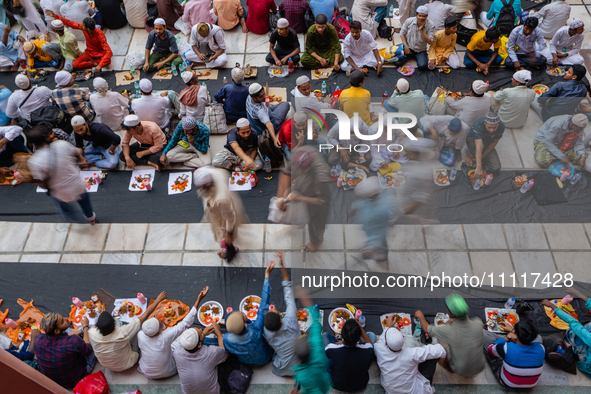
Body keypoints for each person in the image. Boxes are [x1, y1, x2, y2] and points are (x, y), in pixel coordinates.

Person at [26, 126, 96, 224]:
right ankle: (91, 219)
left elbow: (42, 182)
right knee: (85, 202)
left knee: (64, 207)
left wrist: (30, 180)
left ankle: (74, 220)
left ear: (33, 144)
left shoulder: (34, 161)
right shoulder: (61, 144)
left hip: (60, 192)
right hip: (77, 184)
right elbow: (77, 154)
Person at [138, 287, 209, 379]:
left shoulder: (140, 334)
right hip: (168, 371)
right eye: (159, 322)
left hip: (146, 372)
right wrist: (199, 299)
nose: (160, 319)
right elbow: (185, 323)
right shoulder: (165, 337)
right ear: (158, 333)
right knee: (183, 338)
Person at [89, 291, 167, 372]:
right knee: (139, 329)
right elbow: (144, 315)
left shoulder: (91, 332)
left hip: (107, 365)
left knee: (118, 320)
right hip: (127, 363)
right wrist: (158, 300)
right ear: (113, 326)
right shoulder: (122, 333)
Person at [415, 294, 485, 378]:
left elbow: (426, 329)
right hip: (479, 367)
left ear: (450, 312)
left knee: (439, 339)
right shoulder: (478, 323)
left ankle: (448, 365)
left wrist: (421, 316)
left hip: (460, 370)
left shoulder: (447, 330)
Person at [375, 315, 446, 394]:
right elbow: (439, 350)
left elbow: (381, 340)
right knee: (433, 356)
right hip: (414, 391)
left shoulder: (378, 349)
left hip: (391, 390)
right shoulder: (410, 354)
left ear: (385, 342)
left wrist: (387, 327)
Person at [224, 261, 275, 365]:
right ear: (245, 322)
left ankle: (228, 316)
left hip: (246, 361)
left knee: (227, 317)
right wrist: (267, 275)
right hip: (265, 357)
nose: (240, 312)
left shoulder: (227, 339)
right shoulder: (255, 329)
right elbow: (264, 303)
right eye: (240, 313)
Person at [194, 166, 248, 260]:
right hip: (217, 209)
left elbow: (230, 218)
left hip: (223, 213)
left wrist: (229, 233)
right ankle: (226, 246)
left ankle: (229, 248)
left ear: (205, 186)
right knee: (220, 231)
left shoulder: (221, 199)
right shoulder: (212, 173)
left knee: (223, 232)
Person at [34, 313, 95, 389]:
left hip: (56, 382)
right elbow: (88, 349)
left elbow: (58, 341)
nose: (66, 318)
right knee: (93, 340)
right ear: (56, 331)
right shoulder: (73, 341)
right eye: (62, 321)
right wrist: (86, 326)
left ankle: (80, 331)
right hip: (76, 379)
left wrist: (75, 333)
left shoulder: (38, 339)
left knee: (70, 331)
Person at [263, 252, 300, 376]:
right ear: (281, 319)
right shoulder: (291, 320)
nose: (273, 308)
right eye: (275, 311)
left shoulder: (266, 332)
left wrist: (267, 275)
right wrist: (282, 264)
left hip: (282, 369)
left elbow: (263, 304)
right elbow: (288, 292)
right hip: (300, 367)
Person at [541, 289, 591, 377]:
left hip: (587, 365)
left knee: (574, 334)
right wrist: (576, 292)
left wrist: (552, 306)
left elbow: (573, 323)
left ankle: (566, 349)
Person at [290, 146, 332, 252]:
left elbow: (324, 200)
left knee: (316, 224)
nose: (298, 170)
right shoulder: (300, 156)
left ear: (312, 165)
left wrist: (301, 198)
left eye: (302, 169)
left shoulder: (321, 178)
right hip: (303, 193)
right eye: (297, 167)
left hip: (317, 205)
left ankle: (316, 241)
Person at [291, 288, 332, 394]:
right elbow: (316, 322)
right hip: (324, 382)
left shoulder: (300, 375)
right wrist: (306, 300)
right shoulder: (317, 347)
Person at [483, 319, 545, 388]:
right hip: (531, 384)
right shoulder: (541, 347)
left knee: (485, 335)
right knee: (539, 338)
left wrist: (508, 337)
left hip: (508, 382)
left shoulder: (506, 347)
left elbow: (490, 350)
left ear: (515, 333)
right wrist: (513, 331)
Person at [172, 320, 228, 394]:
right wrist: (218, 332)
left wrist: (202, 334)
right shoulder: (210, 353)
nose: (201, 330)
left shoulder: (177, 353)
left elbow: (192, 344)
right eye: (201, 332)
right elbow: (225, 351)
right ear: (199, 345)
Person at [45, 11, 112, 72]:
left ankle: (97, 63)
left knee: (107, 61)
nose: (81, 25)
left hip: (99, 53)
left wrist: (100, 66)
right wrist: (56, 16)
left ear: (88, 29)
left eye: (83, 25)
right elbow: (70, 23)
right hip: (89, 52)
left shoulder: (99, 34)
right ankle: (93, 64)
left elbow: (109, 52)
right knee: (75, 64)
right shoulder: (84, 28)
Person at [351, 177, 397, 263]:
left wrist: (371, 246)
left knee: (381, 244)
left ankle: (381, 257)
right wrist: (355, 208)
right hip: (370, 227)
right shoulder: (373, 197)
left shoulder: (381, 210)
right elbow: (361, 201)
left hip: (377, 233)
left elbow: (378, 231)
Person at [325, 319, 375, 392]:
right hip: (360, 385)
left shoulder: (331, 348)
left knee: (325, 336)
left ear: (342, 334)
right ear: (359, 337)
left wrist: (342, 342)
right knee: (372, 335)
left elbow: (329, 349)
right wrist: (359, 327)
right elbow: (369, 344)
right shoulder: (368, 349)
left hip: (337, 384)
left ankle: (329, 370)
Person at [246, 83, 289, 147]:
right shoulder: (260, 111)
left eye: (264, 94)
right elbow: (268, 124)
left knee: (273, 106)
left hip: (261, 117)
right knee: (286, 104)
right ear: (254, 98)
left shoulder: (249, 97)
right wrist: (274, 139)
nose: (264, 97)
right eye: (261, 96)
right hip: (267, 125)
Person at [464, 113, 505, 178]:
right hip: (474, 140)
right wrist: (479, 167)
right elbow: (479, 145)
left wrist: (483, 155)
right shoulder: (478, 124)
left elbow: (494, 142)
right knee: (479, 148)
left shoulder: (501, 126)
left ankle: (479, 156)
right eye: (489, 127)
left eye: (494, 127)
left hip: (487, 142)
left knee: (496, 168)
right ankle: (470, 154)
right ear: (485, 122)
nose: (491, 130)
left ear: (498, 124)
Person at [394, 6, 435, 71]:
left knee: (423, 66)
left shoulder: (431, 25)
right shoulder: (409, 21)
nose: (421, 18)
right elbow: (402, 33)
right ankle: (410, 54)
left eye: (424, 16)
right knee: (397, 63)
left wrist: (422, 31)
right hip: (409, 47)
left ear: (427, 16)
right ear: (416, 15)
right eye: (420, 16)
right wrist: (406, 47)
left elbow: (430, 41)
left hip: (420, 50)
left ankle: (418, 56)